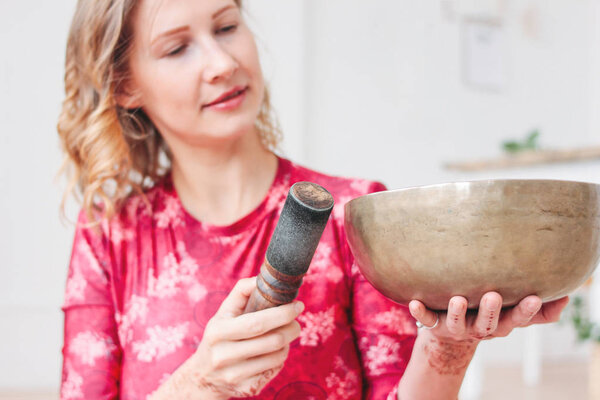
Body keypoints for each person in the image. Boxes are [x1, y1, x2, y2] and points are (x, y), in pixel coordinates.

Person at [57, 0, 569, 399]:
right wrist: (201, 384)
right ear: (125, 85)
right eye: (176, 49)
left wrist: (449, 348)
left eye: (227, 26)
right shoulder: (109, 235)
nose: (221, 63)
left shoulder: (357, 213)